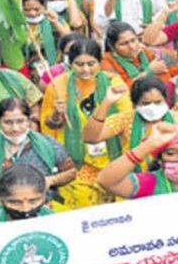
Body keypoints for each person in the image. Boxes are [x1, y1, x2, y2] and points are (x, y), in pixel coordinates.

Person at [41, 39, 131, 209]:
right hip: (75, 163)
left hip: (110, 158)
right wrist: (57, 114)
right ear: (70, 63)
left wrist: (98, 129)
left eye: (91, 64)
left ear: (99, 62)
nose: (86, 70)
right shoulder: (58, 85)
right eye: (79, 64)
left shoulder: (114, 83)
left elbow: (125, 119)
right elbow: (48, 127)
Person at [82, 75, 178, 171]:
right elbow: (90, 137)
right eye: (146, 103)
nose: (152, 107)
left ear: (165, 100)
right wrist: (107, 102)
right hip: (136, 184)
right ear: (135, 104)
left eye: (158, 102)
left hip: (176, 182)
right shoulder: (125, 120)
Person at [98, 122, 178, 198]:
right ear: (160, 160)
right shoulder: (149, 183)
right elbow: (106, 181)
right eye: (171, 153)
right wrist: (148, 145)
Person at [100, 21, 175, 86]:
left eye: (133, 40)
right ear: (112, 47)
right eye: (124, 44)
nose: (132, 47)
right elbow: (119, 89)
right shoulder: (106, 61)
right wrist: (148, 72)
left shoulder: (143, 51)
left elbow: (166, 69)